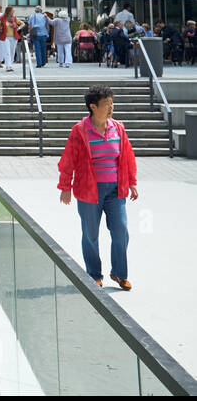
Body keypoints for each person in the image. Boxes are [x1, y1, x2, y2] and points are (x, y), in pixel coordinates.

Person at [57, 85, 139, 290]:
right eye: (106, 104)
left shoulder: (118, 128)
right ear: (93, 107)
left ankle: (119, 273)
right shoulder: (79, 131)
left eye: (112, 103)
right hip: (89, 191)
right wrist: (65, 186)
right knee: (90, 234)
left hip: (115, 191)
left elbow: (127, 157)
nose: (111, 107)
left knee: (121, 230)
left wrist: (132, 182)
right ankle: (94, 274)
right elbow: (68, 160)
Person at [0, 6, 20, 71]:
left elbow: (22, 24)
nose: (14, 11)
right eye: (13, 10)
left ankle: (10, 65)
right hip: (5, 37)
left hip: (14, 38)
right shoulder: (2, 18)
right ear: (9, 11)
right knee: (7, 52)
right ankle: (7, 66)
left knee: (12, 52)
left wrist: (18, 28)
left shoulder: (14, 18)